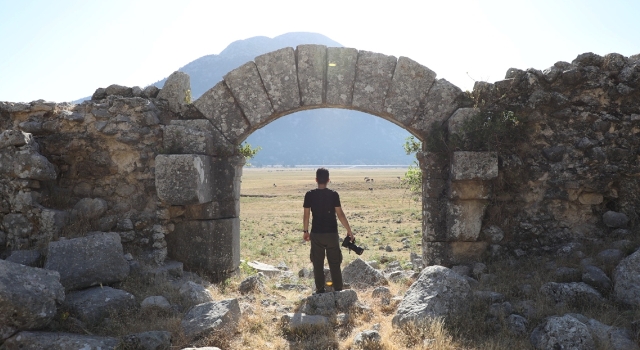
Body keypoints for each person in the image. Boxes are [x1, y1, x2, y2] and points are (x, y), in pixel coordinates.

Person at [302, 168, 354, 293]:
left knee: (317, 264)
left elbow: (306, 215)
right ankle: (338, 291)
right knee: (335, 264)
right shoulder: (333, 195)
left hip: (316, 234)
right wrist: (349, 231)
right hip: (331, 234)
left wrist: (305, 231)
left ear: (316, 180)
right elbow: (340, 214)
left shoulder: (309, 195)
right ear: (328, 180)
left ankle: (320, 291)